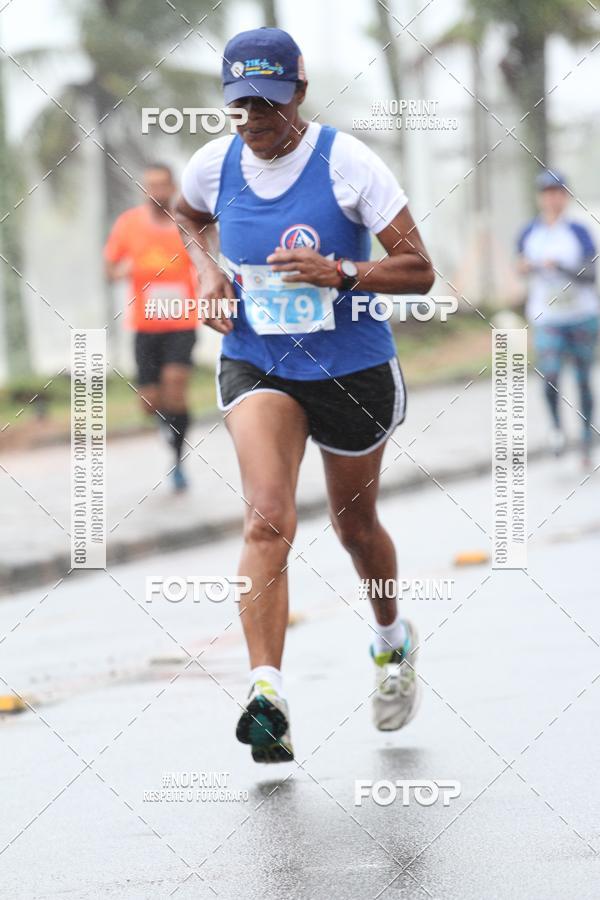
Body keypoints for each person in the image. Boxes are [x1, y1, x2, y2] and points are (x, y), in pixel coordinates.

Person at [176, 28, 435, 763]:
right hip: (259, 361)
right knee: (268, 519)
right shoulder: (213, 164)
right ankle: (267, 698)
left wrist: (342, 272)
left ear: (300, 93)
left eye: (268, 102)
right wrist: (207, 272)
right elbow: (188, 215)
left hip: (351, 370)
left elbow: (419, 269)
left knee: (356, 528)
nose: (254, 119)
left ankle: (391, 640)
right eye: (240, 104)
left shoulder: (347, 162)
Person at [105, 163, 198, 491]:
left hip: (182, 321)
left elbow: (206, 260)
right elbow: (109, 268)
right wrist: (122, 271)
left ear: (172, 188)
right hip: (145, 326)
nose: (156, 191)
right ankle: (165, 422)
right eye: (150, 185)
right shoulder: (129, 224)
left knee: (175, 385)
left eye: (161, 185)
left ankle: (178, 460)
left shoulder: (186, 223)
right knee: (149, 402)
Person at [517, 170, 599, 467]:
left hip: (581, 316)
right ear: (540, 198)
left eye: (557, 193)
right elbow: (519, 267)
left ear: (566, 196)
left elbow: (590, 274)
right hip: (547, 317)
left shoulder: (579, 232)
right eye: (547, 193)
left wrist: (560, 267)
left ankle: (586, 439)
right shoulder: (529, 233)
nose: (552, 199)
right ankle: (556, 429)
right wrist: (525, 268)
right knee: (549, 375)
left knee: (582, 378)